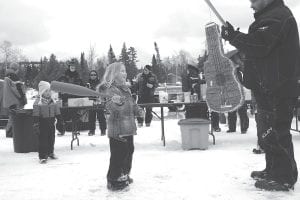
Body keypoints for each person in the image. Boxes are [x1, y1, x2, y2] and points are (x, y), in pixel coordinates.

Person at [221, 0, 299, 191]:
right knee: (268, 132)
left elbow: (258, 45)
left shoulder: (277, 16)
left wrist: (234, 36)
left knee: (277, 131)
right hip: (268, 87)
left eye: (253, 1)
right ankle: (273, 170)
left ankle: (283, 177)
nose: (251, 5)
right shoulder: (269, 17)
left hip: (279, 87)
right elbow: (259, 51)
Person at [98, 62, 143, 191]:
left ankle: (124, 174)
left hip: (128, 127)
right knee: (118, 154)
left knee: (129, 151)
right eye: (122, 71)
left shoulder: (126, 89)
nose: (125, 73)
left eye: (125, 71)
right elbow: (111, 108)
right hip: (117, 128)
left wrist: (138, 110)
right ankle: (113, 178)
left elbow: (132, 104)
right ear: (114, 74)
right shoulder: (110, 90)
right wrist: (117, 103)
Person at [182, 64, 221, 132]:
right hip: (200, 101)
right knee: (208, 112)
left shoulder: (186, 74)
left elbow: (185, 88)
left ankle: (193, 129)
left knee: (192, 116)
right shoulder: (196, 74)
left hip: (191, 101)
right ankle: (214, 127)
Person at [33, 81, 61, 164]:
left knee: (51, 138)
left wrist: (60, 120)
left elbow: (57, 111)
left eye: (49, 91)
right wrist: (36, 123)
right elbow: (36, 114)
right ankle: (42, 156)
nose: (48, 93)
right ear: (42, 92)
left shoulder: (53, 101)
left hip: (51, 122)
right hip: (42, 123)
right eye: (46, 91)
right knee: (43, 140)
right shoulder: (38, 102)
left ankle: (50, 152)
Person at [56, 61, 83, 136]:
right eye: (71, 66)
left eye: (74, 66)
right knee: (62, 115)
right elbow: (57, 86)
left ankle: (75, 130)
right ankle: (61, 130)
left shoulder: (78, 77)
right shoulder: (63, 76)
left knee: (75, 115)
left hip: (75, 99)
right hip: (65, 99)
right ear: (69, 67)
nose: (72, 67)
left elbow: (81, 87)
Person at [225, 50, 249, 134]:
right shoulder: (228, 66)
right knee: (232, 109)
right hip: (231, 88)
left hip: (239, 88)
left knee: (241, 109)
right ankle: (232, 128)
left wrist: (238, 65)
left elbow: (244, 70)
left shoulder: (238, 64)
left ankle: (244, 128)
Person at [3, 62, 27, 138]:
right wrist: (22, 97)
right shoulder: (13, 76)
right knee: (14, 116)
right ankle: (10, 132)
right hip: (14, 100)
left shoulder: (7, 75)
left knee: (12, 116)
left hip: (9, 100)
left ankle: (9, 131)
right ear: (16, 69)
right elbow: (17, 88)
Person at [86, 70, 107, 136]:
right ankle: (91, 130)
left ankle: (103, 130)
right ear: (90, 76)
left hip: (99, 101)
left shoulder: (100, 83)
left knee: (101, 116)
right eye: (91, 75)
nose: (93, 76)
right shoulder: (87, 83)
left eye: (94, 74)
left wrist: (104, 100)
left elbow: (104, 92)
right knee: (91, 116)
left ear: (96, 75)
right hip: (91, 101)